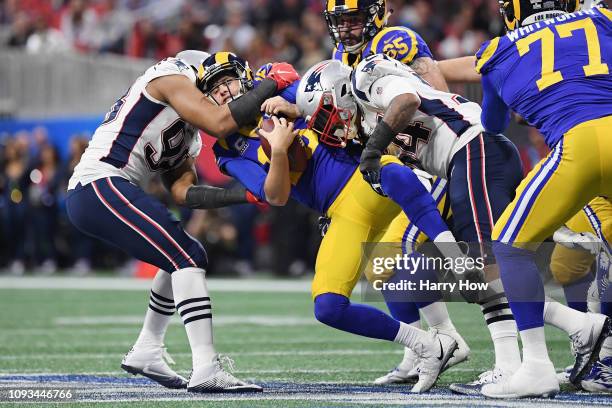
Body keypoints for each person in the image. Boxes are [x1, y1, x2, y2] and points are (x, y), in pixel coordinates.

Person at [209, 54, 471, 393]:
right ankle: (427, 345)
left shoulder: (277, 91)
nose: (225, 91)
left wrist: (293, 104)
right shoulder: (227, 150)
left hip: (363, 176)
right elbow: (273, 195)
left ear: (243, 76)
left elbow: (321, 82)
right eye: (215, 90)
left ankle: (455, 257)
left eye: (227, 80)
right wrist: (277, 151)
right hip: (340, 212)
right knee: (329, 306)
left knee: (393, 173)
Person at [65, 49, 299, 393]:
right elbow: (220, 122)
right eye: (217, 83)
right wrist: (271, 84)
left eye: (228, 82)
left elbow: (182, 192)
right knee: (188, 256)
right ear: (198, 74)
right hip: (98, 183)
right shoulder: (172, 77)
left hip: (105, 189)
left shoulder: (189, 128)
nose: (224, 91)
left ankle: (148, 348)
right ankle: (205, 367)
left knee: (183, 252)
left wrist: (244, 195)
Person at [322, 0, 524, 387]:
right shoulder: (350, 79)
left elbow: (424, 96)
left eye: (353, 19)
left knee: (463, 263)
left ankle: (479, 352)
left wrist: (376, 146)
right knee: (394, 264)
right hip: (454, 159)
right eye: (339, 21)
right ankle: (572, 330)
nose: (346, 29)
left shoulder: (383, 52)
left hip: (465, 153)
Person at [473, 1, 612, 398]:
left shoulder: (497, 50)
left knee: (510, 247)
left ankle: (535, 365)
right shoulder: (602, 17)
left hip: (578, 145)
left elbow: (493, 124)